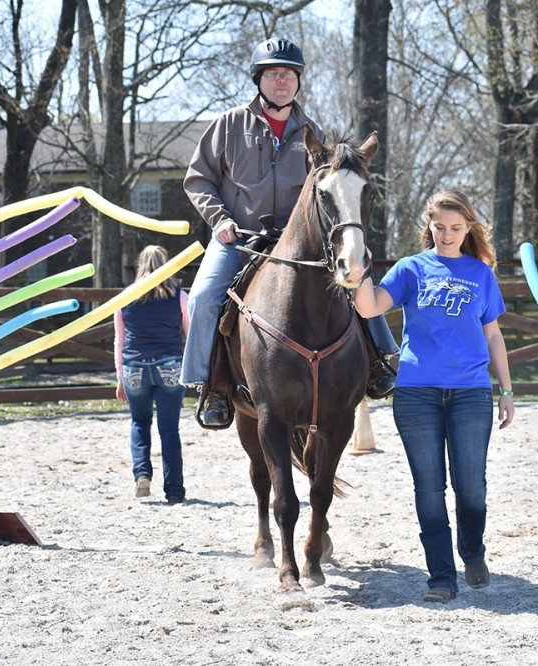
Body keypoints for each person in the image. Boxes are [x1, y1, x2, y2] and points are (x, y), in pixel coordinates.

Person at [181, 36, 398, 427]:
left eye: (289, 74)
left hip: (295, 243)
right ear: (258, 80)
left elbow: (329, 193)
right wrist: (220, 220)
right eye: (273, 73)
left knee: (356, 275)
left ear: (298, 82)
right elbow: (198, 180)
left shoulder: (311, 132)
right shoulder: (228, 124)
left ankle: (378, 362)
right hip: (239, 237)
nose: (282, 80)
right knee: (202, 297)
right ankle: (211, 386)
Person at [352, 190, 516, 603]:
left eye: (456, 228)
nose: (446, 235)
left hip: (471, 393)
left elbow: (493, 335)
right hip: (417, 393)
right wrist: (360, 270)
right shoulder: (411, 269)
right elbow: (370, 308)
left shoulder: (481, 274)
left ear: (468, 229)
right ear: (429, 226)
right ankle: (441, 577)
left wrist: (508, 391)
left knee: (471, 486)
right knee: (428, 488)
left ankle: (473, 552)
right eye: (439, 227)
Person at [114, 245, 190, 503]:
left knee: (139, 422)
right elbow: (190, 336)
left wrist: (119, 377)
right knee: (169, 429)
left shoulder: (125, 298)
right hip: (169, 365)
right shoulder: (180, 296)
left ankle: (142, 475)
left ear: (140, 266)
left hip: (134, 367)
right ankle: (175, 490)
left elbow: (120, 340)